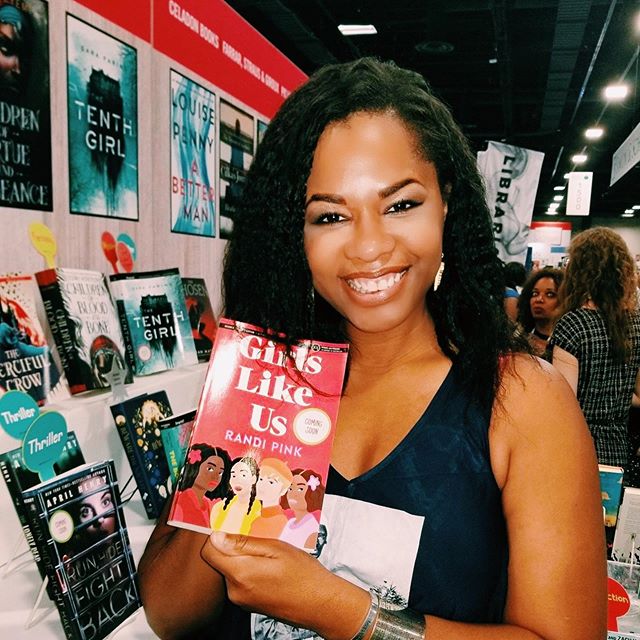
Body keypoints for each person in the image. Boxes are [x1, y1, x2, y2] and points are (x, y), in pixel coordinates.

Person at [138, 57, 606, 639]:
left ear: (447, 203)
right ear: (294, 233)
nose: (368, 246)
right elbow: (170, 614)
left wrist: (343, 610)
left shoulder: (523, 401)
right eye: (331, 215)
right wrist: (230, 428)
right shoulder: (270, 382)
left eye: (401, 205)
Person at [551, 227, 640, 468]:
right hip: (620, 448)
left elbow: (564, 402)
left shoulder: (573, 324)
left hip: (579, 447)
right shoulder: (635, 323)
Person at [171, 444, 231, 529]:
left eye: (220, 473)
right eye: (210, 469)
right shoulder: (182, 501)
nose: (215, 477)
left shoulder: (206, 504)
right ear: (196, 467)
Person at [516, 267, 563, 360]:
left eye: (550, 294)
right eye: (535, 293)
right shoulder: (519, 341)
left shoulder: (567, 346)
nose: (539, 299)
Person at [209, 455, 261, 535]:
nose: (238, 480)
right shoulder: (218, 508)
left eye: (243, 475)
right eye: (233, 476)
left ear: (253, 479)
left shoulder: (260, 512)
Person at [279, 469, 325, 551]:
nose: (293, 494)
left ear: (311, 494)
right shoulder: (290, 523)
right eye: (290, 489)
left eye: (300, 489)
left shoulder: (311, 527)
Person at [249, 458, 294, 539]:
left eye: (271, 482)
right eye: (261, 479)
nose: (262, 485)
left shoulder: (280, 523)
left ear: (283, 490)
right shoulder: (257, 519)